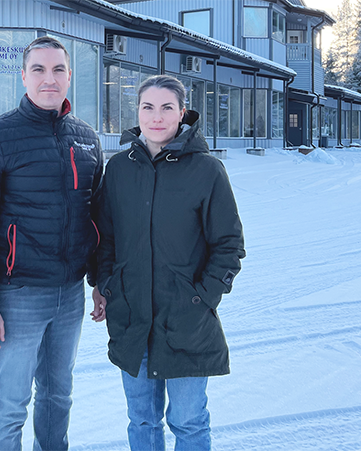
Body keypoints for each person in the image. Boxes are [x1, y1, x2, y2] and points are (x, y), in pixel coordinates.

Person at [0, 36, 104, 451]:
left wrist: (99, 282)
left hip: (70, 295)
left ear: (69, 76)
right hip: (17, 295)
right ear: (23, 76)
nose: (48, 79)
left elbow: (96, 219)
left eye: (58, 69)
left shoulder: (86, 138)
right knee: (9, 405)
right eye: (38, 69)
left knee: (58, 397)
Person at [91, 75, 245, 451]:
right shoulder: (119, 169)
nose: (156, 117)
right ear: (138, 112)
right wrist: (106, 284)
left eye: (166, 108)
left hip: (186, 322)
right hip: (132, 318)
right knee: (142, 419)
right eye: (148, 107)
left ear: (182, 113)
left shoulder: (206, 171)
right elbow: (104, 238)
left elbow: (229, 245)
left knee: (188, 421)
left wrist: (202, 297)